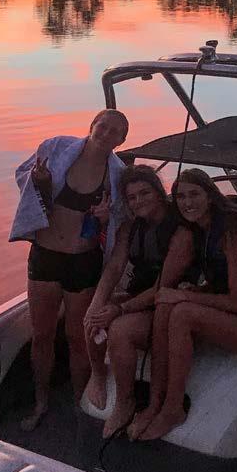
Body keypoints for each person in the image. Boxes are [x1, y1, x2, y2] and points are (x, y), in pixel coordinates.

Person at [129, 168, 237, 441]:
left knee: (182, 312)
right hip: (236, 317)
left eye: (194, 194)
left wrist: (186, 296)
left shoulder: (232, 229)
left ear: (210, 195)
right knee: (165, 305)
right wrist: (194, 291)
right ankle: (155, 402)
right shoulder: (202, 230)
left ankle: (173, 409)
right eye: (180, 197)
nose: (187, 202)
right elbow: (220, 282)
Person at [10, 108, 129, 431]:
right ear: (92, 126)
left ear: (121, 140)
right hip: (45, 256)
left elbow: (119, 223)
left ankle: (80, 404)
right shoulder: (57, 148)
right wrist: (41, 182)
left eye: (115, 131)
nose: (106, 133)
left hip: (82, 263)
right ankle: (41, 402)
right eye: (103, 126)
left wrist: (105, 218)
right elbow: (24, 177)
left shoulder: (118, 176)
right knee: (42, 336)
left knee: (78, 338)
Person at [81, 165, 197, 438]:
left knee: (120, 330)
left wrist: (119, 309)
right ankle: (98, 373)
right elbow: (115, 267)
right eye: (131, 197)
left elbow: (161, 287)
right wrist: (97, 304)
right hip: (138, 297)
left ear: (158, 192)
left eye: (145, 193)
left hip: (169, 304)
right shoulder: (130, 228)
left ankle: (125, 401)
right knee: (93, 315)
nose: (138, 201)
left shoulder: (181, 233)